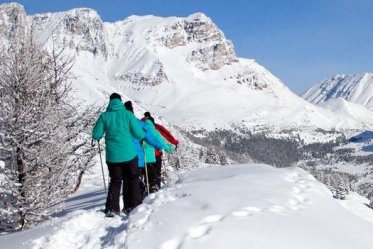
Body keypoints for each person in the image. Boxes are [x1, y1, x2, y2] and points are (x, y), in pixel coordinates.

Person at [92, 93, 145, 217]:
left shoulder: (104, 116)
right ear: (120, 102)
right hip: (129, 155)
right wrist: (143, 135)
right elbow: (138, 133)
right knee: (132, 179)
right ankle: (133, 206)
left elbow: (96, 135)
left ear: (110, 102)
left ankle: (112, 209)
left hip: (112, 157)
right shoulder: (128, 114)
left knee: (115, 181)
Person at [123, 101, 173, 201]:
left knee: (136, 178)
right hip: (150, 157)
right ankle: (152, 194)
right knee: (152, 176)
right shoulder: (150, 128)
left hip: (132, 157)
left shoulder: (126, 123)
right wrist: (166, 147)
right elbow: (158, 140)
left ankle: (138, 196)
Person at [144, 112, 179, 190]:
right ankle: (156, 189)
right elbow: (163, 139)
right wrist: (171, 146)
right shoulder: (155, 129)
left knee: (147, 175)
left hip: (142, 156)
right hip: (156, 155)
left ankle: (146, 190)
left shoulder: (140, 127)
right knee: (156, 174)